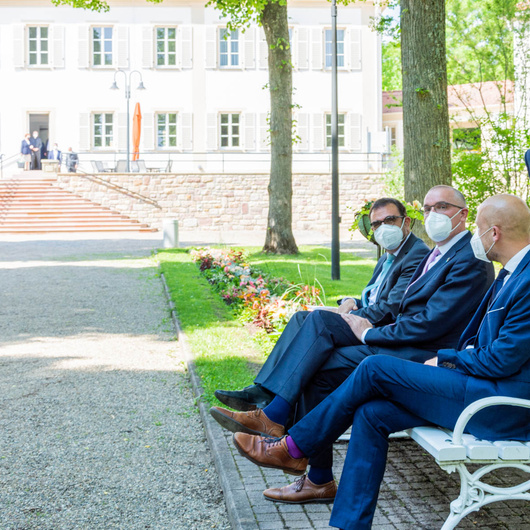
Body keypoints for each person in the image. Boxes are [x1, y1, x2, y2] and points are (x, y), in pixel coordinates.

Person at [233, 194, 530, 530]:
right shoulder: (510, 273)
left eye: (476, 228)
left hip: (501, 405)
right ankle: (349, 524)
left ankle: (293, 447)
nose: (474, 237)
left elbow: (502, 360)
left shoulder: (527, 279)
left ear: (494, 234)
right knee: (372, 413)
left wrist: (444, 361)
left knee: (374, 368)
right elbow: (481, 342)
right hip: (477, 386)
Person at [215, 198, 430, 412]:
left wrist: (346, 317)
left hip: (378, 329)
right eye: (376, 224)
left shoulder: (415, 254)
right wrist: (350, 302)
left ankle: (269, 400)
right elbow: (373, 298)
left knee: (319, 324)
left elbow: (388, 309)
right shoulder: (387, 257)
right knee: (301, 317)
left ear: (406, 222)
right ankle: (262, 389)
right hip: (369, 317)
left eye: (390, 220)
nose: (383, 228)